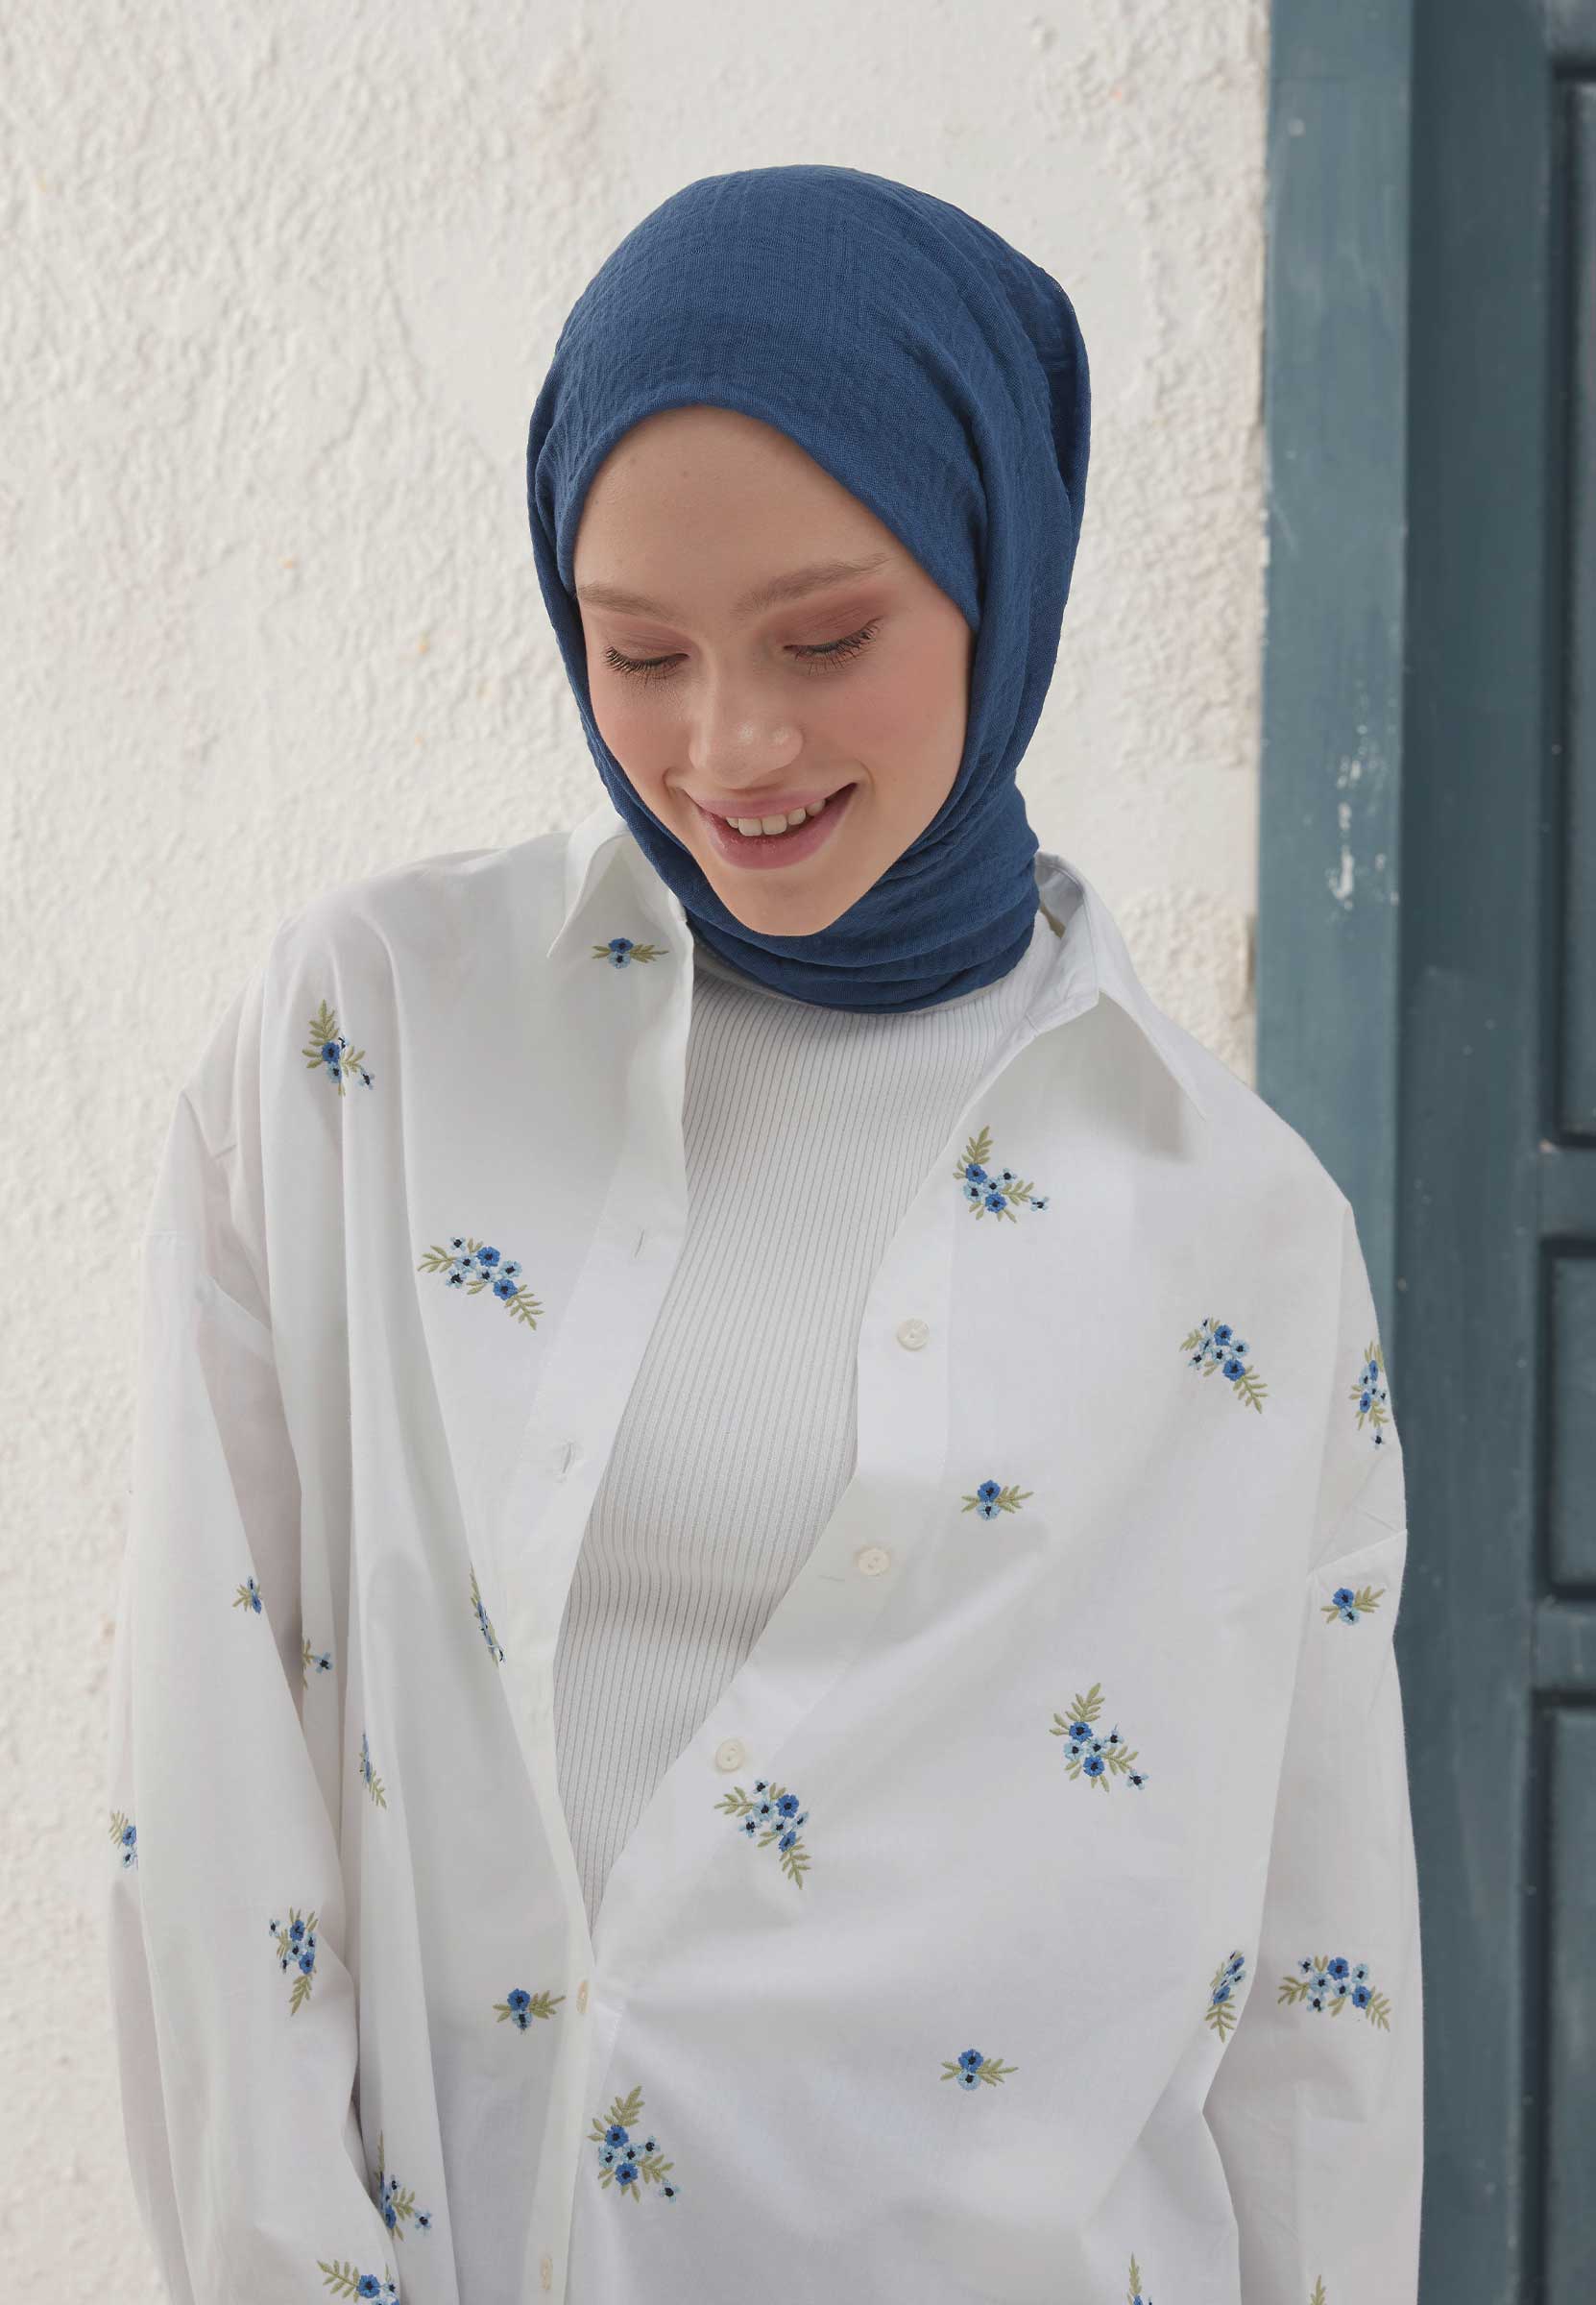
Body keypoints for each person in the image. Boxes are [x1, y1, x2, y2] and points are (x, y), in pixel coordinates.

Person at [105, 165, 1422, 2305]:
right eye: (637, 653)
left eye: (826, 641)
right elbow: (213, 1784)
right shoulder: (370, 1047)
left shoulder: (1241, 1237)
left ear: (999, 569)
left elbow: (1312, 2006)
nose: (727, 746)